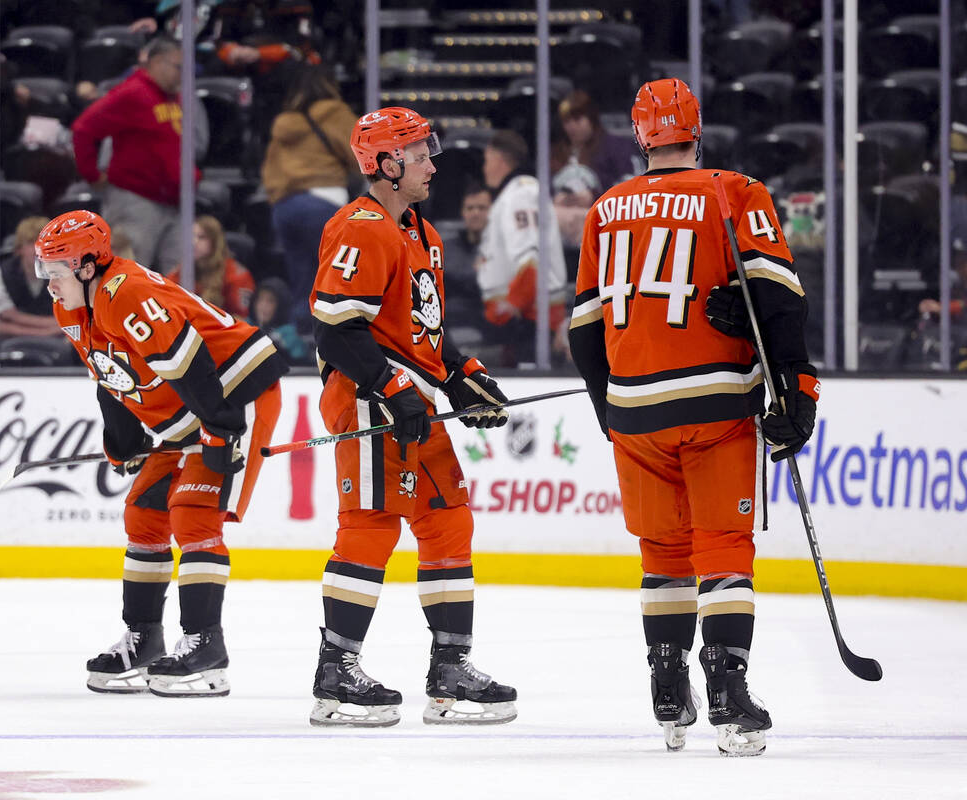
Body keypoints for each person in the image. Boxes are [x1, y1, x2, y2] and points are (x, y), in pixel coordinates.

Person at [567, 78, 819, 756]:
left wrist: (609, 411)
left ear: (641, 135)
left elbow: (583, 331)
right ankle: (729, 692)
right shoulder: (733, 191)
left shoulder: (605, 207)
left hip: (633, 411)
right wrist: (798, 390)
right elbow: (780, 298)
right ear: (696, 129)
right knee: (722, 547)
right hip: (714, 403)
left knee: (663, 552)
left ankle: (669, 686)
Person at [307, 106, 517, 727]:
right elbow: (335, 329)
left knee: (448, 520)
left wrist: (462, 376)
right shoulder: (361, 227)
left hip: (409, 404)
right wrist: (392, 386)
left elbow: (422, 331)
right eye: (420, 153)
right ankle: (335, 672)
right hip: (372, 404)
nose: (433, 162)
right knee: (371, 527)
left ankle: (451, 668)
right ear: (386, 163)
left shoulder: (422, 232)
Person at [36, 209, 288, 696]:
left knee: (193, 512)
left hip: (233, 395)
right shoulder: (71, 307)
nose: (49, 283)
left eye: (56, 270)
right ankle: (145, 639)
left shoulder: (127, 292)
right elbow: (110, 377)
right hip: (191, 407)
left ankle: (205, 647)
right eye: (44, 270)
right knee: (144, 514)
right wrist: (124, 441)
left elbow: (188, 361)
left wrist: (219, 430)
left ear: (87, 266)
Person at [71, 37, 204, 268]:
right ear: (156, 62)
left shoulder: (174, 97)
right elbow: (83, 128)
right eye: (178, 68)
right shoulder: (131, 93)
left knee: (179, 279)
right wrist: (92, 175)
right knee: (127, 276)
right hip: (136, 201)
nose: (182, 75)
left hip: (173, 201)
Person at [260, 64, 359, 331]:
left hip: (285, 206)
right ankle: (339, 338)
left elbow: (269, 169)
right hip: (323, 202)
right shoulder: (335, 112)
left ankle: (303, 338)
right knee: (336, 275)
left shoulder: (284, 123)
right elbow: (359, 153)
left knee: (301, 279)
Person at [476, 129, 569, 366]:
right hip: (525, 323)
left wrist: (508, 309)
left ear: (499, 159)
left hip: (529, 324)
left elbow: (532, 264)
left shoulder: (522, 194)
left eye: (487, 161)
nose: (484, 168)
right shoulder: (516, 194)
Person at [165, 215, 256, 320]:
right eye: (192, 236)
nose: (193, 242)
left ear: (215, 242)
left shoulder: (237, 275)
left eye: (201, 237)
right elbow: (165, 296)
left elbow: (242, 319)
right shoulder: (184, 268)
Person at [0, 215, 60, 340]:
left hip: (56, 342)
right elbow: (7, 316)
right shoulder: (2, 273)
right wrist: (48, 331)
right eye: (31, 243)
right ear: (19, 249)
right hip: (14, 340)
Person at [439, 182, 490, 334]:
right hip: (452, 320)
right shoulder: (446, 247)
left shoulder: (503, 247)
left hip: (490, 321)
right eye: (470, 208)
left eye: (482, 208)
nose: (475, 213)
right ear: (463, 212)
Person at [248, 276, 309, 364]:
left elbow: (300, 363)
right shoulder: (245, 327)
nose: (263, 306)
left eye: (270, 301)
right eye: (260, 299)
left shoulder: (289, 335)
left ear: (280, 306)